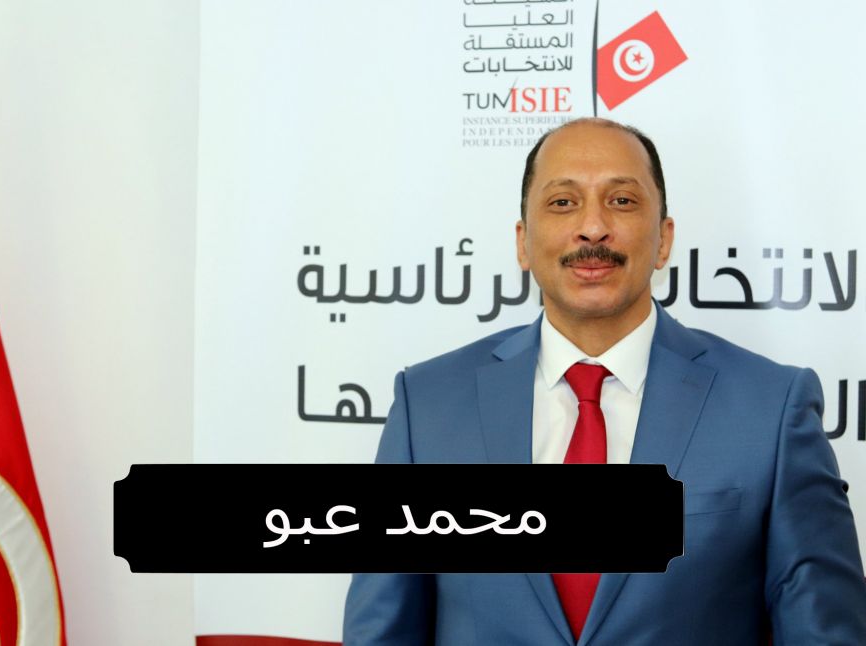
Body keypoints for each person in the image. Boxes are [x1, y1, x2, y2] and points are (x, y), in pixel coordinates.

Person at [343, 118, 866, 645]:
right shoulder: (427, 409)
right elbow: (382, 632)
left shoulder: (771, 410)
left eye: (621, 201)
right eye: (563, 202)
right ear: (523, 243)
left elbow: (826, 634)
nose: (593, 228)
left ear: (663, 241)